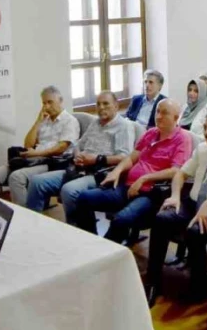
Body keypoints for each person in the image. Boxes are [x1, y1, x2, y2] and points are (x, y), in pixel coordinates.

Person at [144, 111, 207, 305]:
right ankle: (153, 281)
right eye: (205, 127)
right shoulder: (202, 149)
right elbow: (181, 174)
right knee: (161, 219)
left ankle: (200, 284)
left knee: (195, 231)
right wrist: (174, 196)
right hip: (192, 203)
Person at [72, 100, 192, 240]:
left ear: (176, 118)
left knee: (120, 220)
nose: (158, 116)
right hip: (126, 186)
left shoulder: (182, 138)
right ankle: (90, 240)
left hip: (150, 194)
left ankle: (107, 252)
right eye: (157, 111)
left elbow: (175, 171)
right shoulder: (151, 133)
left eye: (164, 113)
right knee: (84, 198)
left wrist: (144, 178)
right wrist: (116, 171)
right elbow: (131, 158)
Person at [25, 91, 135, 213]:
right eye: (98, 104)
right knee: (36, 182)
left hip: (99, 172)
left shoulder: (123, 126)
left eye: (105, 104)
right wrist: (77, 154)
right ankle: (34, 225)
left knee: (68, 190)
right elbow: (78, 144)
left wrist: (96, 158)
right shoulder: (95, 123)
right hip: (79, 169)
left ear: (116, 106)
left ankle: (79, 229)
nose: (101, 107)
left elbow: (124, 157)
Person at [0, 85, 80, 205]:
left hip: (53, 162)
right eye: (44, 103)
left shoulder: (70, 121)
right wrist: (38, 121)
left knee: (16, 177)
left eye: (50, 102)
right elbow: (28, 144)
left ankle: (24, 217)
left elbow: (61, 148)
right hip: (35, 159)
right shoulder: (44, 121)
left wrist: (36, 153)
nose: (46, 107)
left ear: (60, 101)